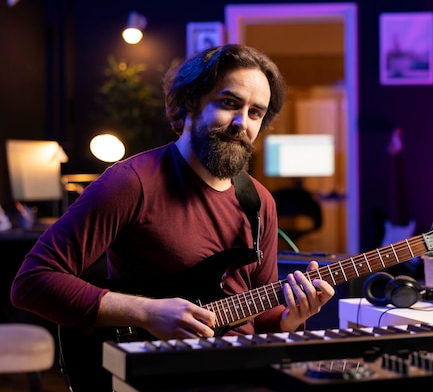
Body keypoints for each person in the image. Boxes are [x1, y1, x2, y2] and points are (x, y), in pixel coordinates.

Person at [10, 44, 335, 390]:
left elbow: (260, 313)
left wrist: (291, 317)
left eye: (256, 113)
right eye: (229, 103)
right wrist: (146, 313)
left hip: (240, 372)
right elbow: (32, 281)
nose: (242, 123)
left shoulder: (259, 202)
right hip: (157, 374)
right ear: (189, 102)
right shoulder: (131, 182)